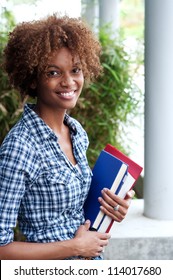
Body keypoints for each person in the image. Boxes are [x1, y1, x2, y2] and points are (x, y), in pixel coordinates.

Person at [0, 14, 134, 260]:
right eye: (53, 72)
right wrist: (75, 247)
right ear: (32, 79)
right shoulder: (20, 147)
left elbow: (74, 210)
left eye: (76, 70)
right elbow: (1, 247)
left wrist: (113, 205)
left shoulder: (76, 133)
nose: (69, 82)